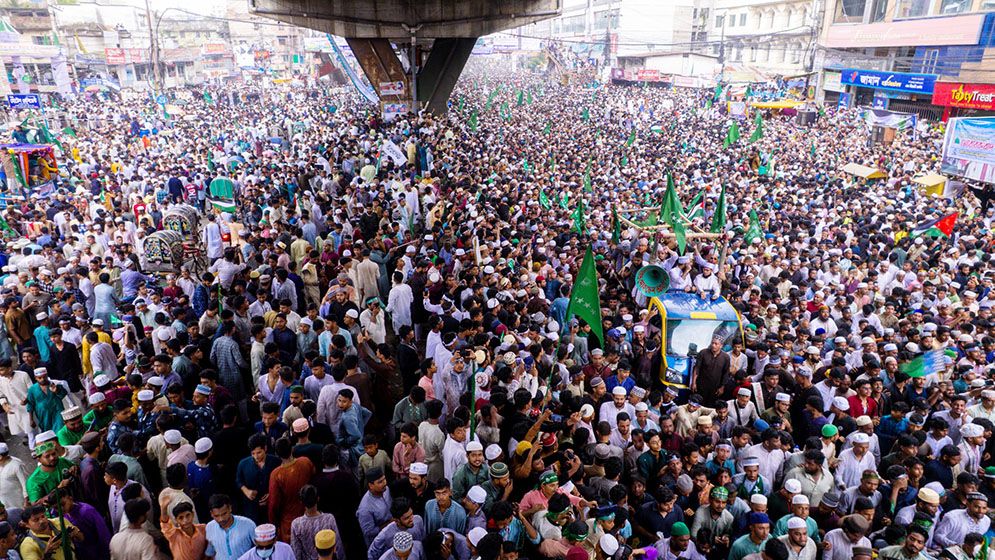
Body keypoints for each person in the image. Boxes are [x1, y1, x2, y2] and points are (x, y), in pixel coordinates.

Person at [204, 494, 257, 560]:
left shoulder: (248, 524)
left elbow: (260, 549)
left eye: (224, 514)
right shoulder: (209, 527)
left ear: (230, 508)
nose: (221, 519)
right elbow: (210, 552)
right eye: (216, 516)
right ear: (211, 514)